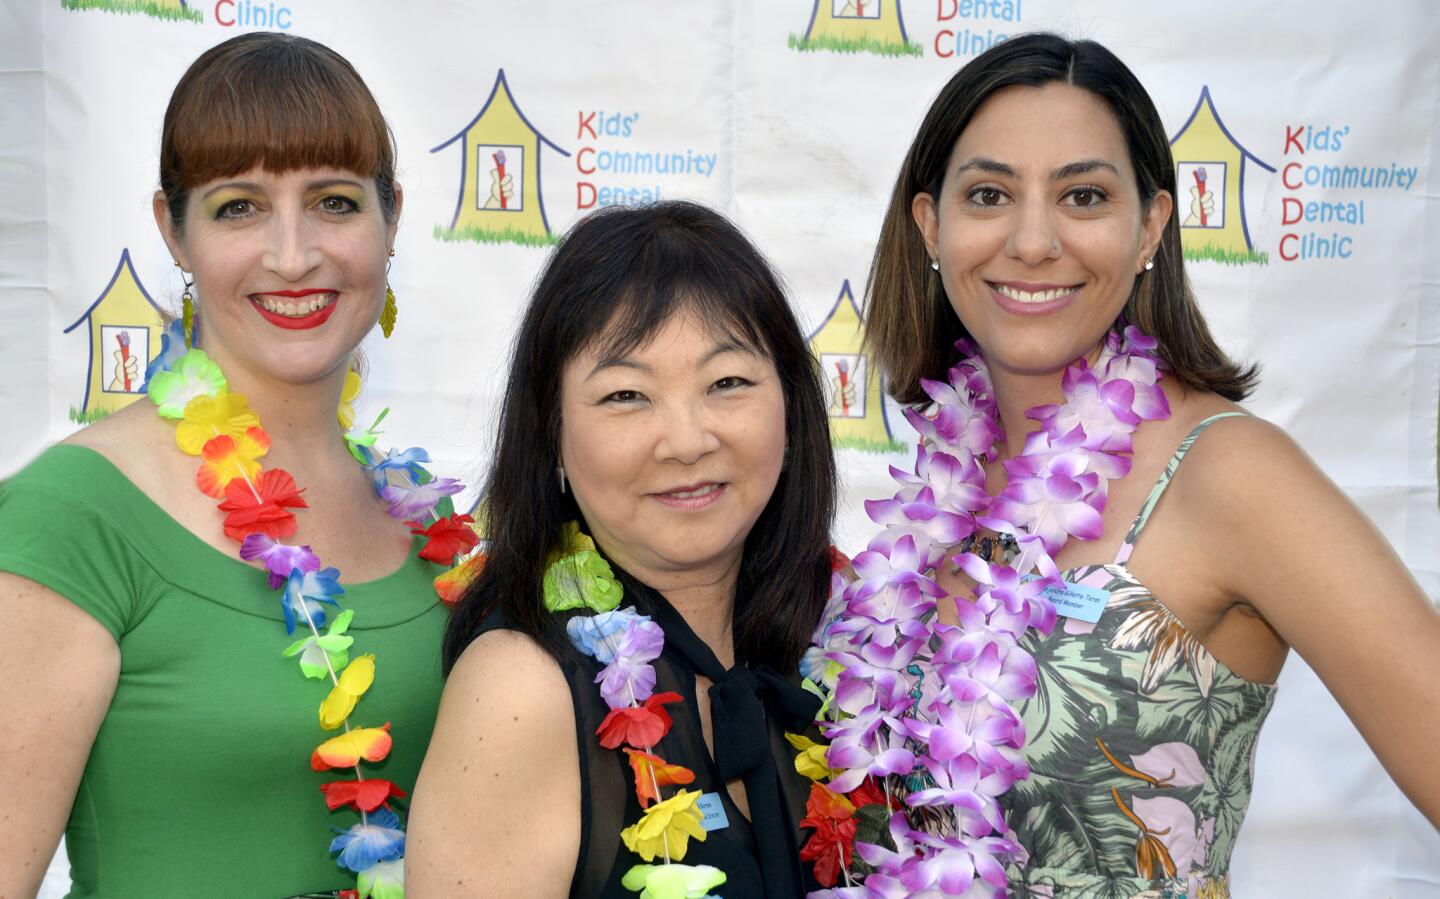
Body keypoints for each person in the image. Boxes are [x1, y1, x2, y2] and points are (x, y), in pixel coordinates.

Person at [820, 31, 1440, 896]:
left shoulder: (1227, 474)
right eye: (990, 193)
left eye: (1082, 195)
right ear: (932, 224)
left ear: (1149, 225)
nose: (1033, 241)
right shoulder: (930, 497)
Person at [0, 33, 464, 898]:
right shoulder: (70, 517)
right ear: (172, 232)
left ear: (391, 217)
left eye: (332, 201)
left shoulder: (424, 522)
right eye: (238, 207)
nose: (293, 256)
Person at [407, 201, 838, 897]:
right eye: (627, 394)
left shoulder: (848, 651)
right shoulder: (520, 689)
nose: (688, 440)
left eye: (727, 382)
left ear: (791, 409)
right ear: (551, 435)